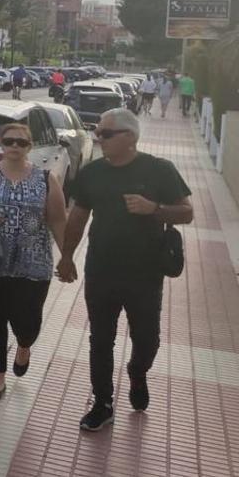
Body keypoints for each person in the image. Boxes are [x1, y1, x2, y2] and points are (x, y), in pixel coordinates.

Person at [58, 109, 193, 432]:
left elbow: (187, 213)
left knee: (148, 340)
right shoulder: (92, 173)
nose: (98, 138)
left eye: (106, 134)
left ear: (129, 138)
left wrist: (155, 209)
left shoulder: (160, 170)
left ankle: (137, 371)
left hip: (145, 274)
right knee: (100, 339)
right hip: (101, 270)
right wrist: (66, 257)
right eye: (98, 132)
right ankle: (103, 402)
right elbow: (77, 216)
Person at [0, 123, 67, 401]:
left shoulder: (46, 179)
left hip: (34, 265)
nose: (15, 147)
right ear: (1, 144)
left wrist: (67, 257)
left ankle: (24, 345)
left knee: (28, 322)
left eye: (21, 142)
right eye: (10, 141)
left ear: (30, 146)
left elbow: (57, 219)